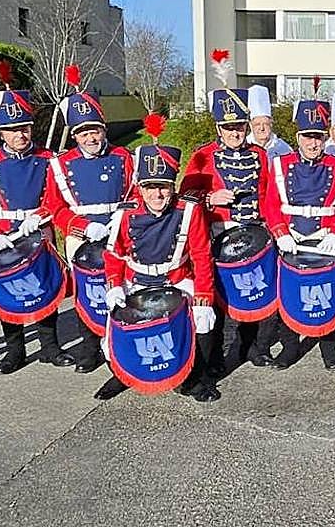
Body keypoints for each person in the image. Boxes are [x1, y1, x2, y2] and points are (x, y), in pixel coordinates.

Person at [96, 118, 220, 402]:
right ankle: (121, 374)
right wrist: (114, 284)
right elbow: (114, 253)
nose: (157, 194)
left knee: (203, 323)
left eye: (163, 187)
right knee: (113, 330)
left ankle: (194, 377)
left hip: (176, 279)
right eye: (150, 187)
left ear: (172, 185)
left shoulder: (189, 209)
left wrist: (203, 295)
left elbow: (201, 255)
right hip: (136, 281)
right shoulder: (126, 213)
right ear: (140, 187)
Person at [0, 63, 71, 374]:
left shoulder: (49, 159)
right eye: (13, 130)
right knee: (7, 294)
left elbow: (59, 198)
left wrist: (40, 215)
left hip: (38, 235)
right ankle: (14, 352)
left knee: (46, 289)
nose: (20, 134)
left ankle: (51, 347)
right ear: (1, 132)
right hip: (1, 238)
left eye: (24, 127)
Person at [43, 68, 134, 374]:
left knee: (122, 289)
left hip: (119, 233)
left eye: (94, 130)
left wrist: (120, 224)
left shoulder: (124, 157)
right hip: (81, 236)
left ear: (104, 129)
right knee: (87, 293)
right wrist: (83, 227)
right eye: (83, 133)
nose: (91, 138)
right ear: (74, 135)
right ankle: (89, 348)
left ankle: (121, 344)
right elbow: (54, 208)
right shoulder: (60, 164)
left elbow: (136, 196)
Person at [181, 87, 275, 369]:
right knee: (221, 295)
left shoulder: (259, 154)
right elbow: (184, 197)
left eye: (239, 127)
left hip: (255, 231)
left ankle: (251, 347)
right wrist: (210, 198)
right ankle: (218, 354)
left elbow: (269, 192)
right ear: (218, 128)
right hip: (219, 233)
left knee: (254, 292)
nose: (235, 133)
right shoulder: (203, 156)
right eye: (228, 128)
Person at [261, 98, 335, 370]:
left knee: (328, 296)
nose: (313, 144)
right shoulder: (280, 164)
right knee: (288, 297)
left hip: (325, 239)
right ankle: (290, 347)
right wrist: (280, 233)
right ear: (298, 137)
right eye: (307, 137)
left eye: (318, 137)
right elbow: (271, 203)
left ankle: (330, 349)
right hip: (291, 238)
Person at [246, 84, 292, 157]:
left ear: (271, 124)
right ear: (250, 125)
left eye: (265, 124)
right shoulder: (244, 146)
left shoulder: (284, 149)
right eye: (257, 124)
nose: (262, 128)